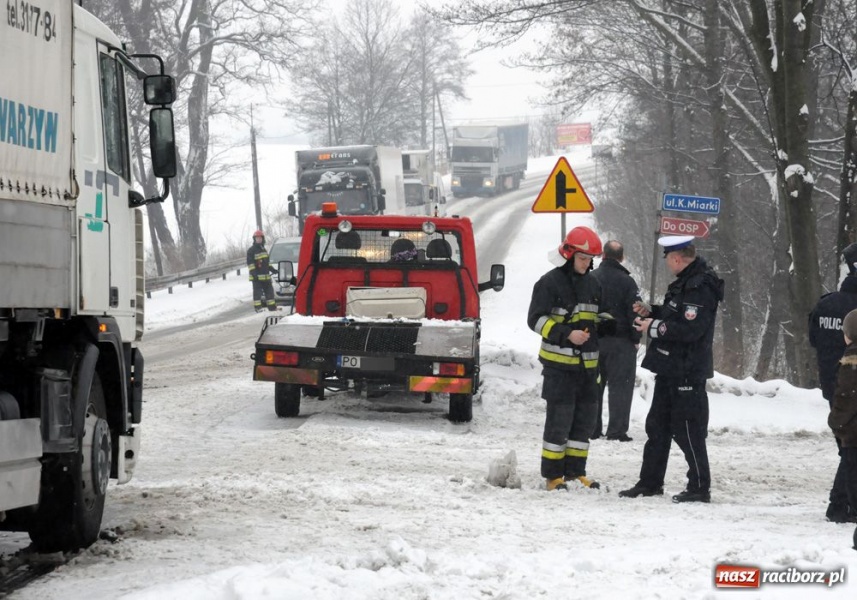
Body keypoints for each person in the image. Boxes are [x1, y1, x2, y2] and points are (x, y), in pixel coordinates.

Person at [619, 235, 724, 503]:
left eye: (667, 258)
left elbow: (692, 329)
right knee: (658, 427)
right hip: (670, 368)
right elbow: (674, 315)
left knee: (688, 430)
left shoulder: (700, 286)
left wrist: (652, 327)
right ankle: (650, 482)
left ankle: (700, 487)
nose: (667, 263)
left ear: (677, 258)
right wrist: (651, 311)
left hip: (687, 369)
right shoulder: (685, 283)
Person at [527, 225, 610, 491]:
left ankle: (576, 472)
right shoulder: (549, 282)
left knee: (583, 424)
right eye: (583, 258)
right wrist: (567, 335)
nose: (587, 264)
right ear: (569, 254)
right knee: (558, 424)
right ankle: (553, 476)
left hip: (587, 368)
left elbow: (597, 317)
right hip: (559, 367)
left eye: (590, 259)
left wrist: (613, 324)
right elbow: (536, 320)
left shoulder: (594, 284)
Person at [809, 242, 857, 523]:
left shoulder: (826, 303)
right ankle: (842, 504)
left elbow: (814, 340)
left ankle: (842, 504)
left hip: (833, 386)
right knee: (851, 449)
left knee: (848, 446)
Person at [591, 240, 642, 442]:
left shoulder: (591, 278)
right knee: (621, 387)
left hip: (594, 341)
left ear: (603, 256)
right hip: (621, 343)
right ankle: (617, 431)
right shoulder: (628, 282)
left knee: (593, 386)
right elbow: (635, 313)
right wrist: (636, 338)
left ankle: (592, 429)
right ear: (621, 258)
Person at [828, 309, 857, 540]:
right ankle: (839, 506)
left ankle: (840, 507)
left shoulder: (851, 361)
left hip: (853, 434)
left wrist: (836, 423)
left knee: (850, 470)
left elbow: (845, 397)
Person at [247, 229, 277, 312]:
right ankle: (258, 308)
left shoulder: (264, 249)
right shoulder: (251, 250)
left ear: (262, 239)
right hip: (256, 278)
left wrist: (272, 269)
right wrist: (254, 274)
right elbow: (250, 264)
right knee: (257, 294)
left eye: (260, 238)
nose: (259, 239)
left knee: (270, 292)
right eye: (257, 238)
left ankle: (272, 308)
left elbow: (266, 263)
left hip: (266, 277)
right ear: (254, 239)